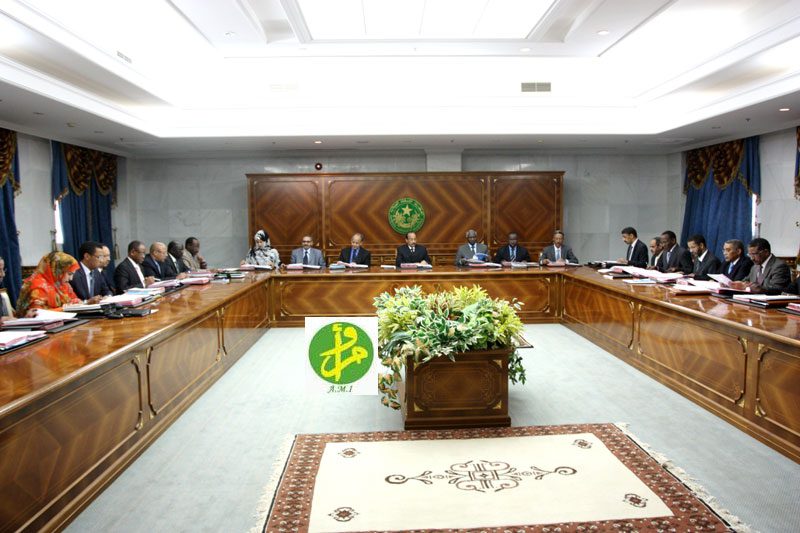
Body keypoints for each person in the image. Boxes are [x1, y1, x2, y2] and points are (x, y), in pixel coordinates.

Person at [15, 252, 81, 317]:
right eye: (69, 274)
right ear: (57, 270)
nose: (71, 278)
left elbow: (74, 299)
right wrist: (64, 309)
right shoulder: (38, 286)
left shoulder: (62, 284)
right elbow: (37, 313)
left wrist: (75, 302)